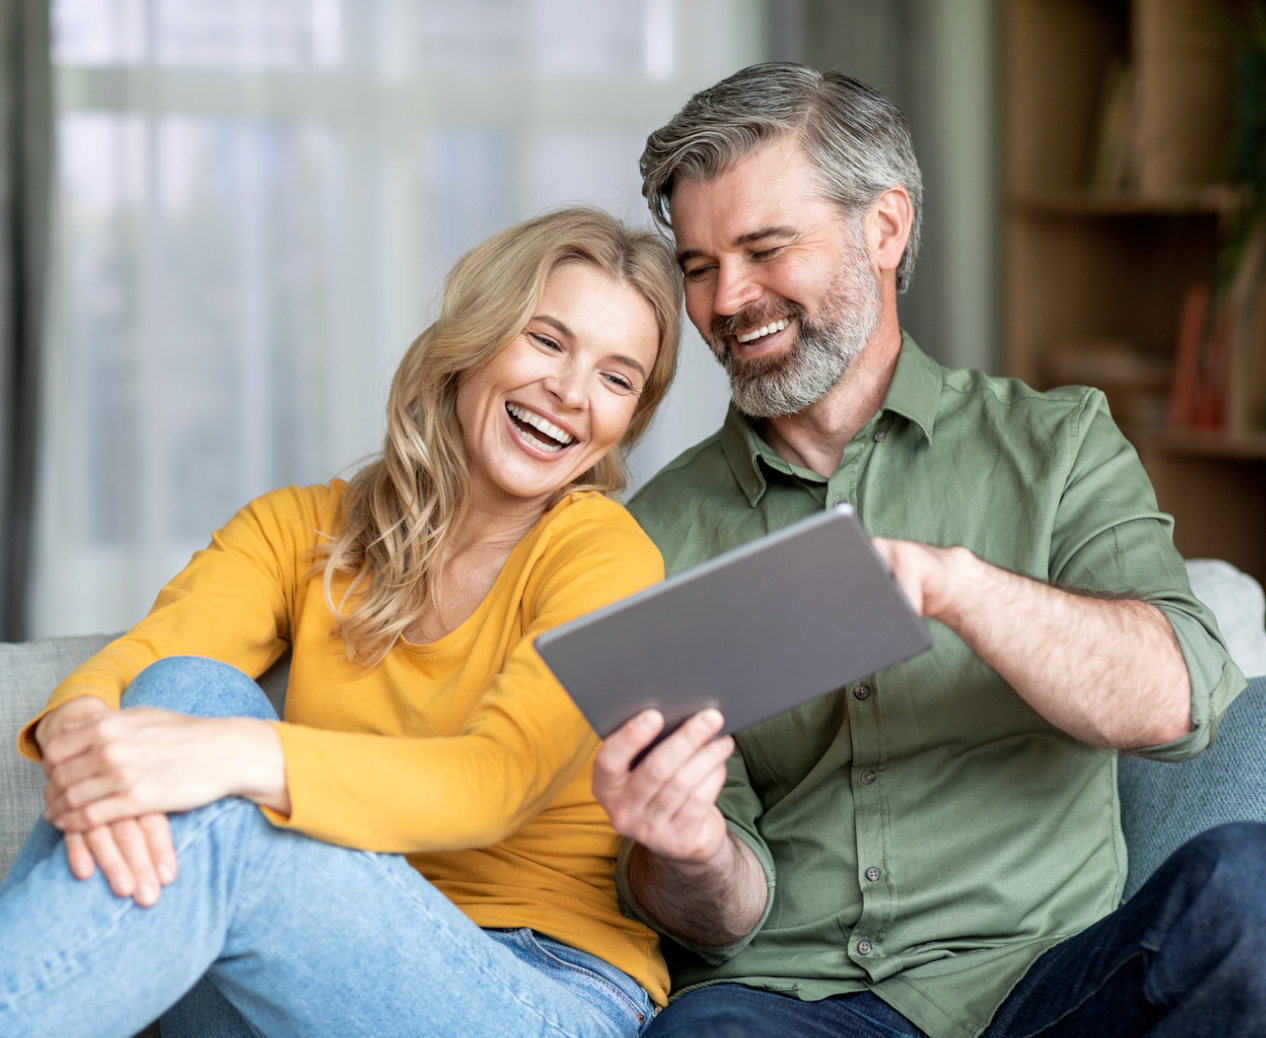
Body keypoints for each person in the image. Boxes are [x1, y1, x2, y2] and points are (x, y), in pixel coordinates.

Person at [591, 64, 1265, 1038]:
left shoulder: (1058, 446)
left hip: (1051, 993)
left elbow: (1176, 701)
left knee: (1247, 889)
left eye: (764, 248)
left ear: (885, 227)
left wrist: (963, 591)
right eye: (699, 267)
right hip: (793, 1006)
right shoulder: (651, 538)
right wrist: (685, 850)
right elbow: (718, 914)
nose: (728, 297)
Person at [0, 206, 683, 1038]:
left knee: (223, 816)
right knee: (185, 686)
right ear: (474, 338)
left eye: (617, 379)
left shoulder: (605, 557)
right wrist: (77, 730)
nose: (571, 393)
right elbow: (147, 661)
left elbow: (496, 782)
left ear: (629, 419)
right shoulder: (297, 529)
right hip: (304, 975)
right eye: (547, 340)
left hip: (538, 985)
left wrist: (232, 757)